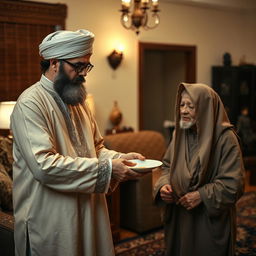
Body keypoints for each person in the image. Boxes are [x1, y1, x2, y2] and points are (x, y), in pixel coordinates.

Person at [10, 29, 145, 256]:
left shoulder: (78, 100)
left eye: (87, 66)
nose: (84, 74)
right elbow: (44, 165)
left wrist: (120, 159)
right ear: (54, 63)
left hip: (88, 210)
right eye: (78, 66)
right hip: (51, 217)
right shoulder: (30, 104)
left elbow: (96, 148)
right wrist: (110, 168)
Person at [153, 83, 245, 256]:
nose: (184, 111)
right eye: (182, 104)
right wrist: (164, 185)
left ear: (206, 108)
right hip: (180, 216)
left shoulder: (226, 139)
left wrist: (201, 195)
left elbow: (234, 184)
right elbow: (166, 166)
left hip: (208, 219)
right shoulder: (179, 134)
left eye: (191, 105)